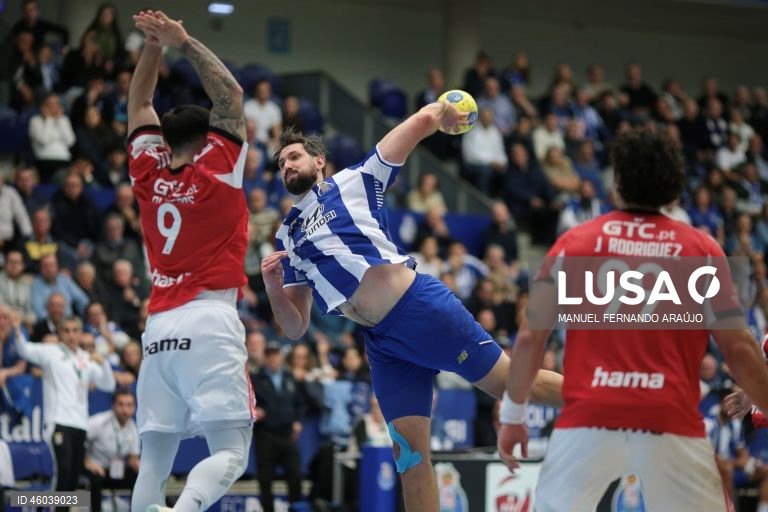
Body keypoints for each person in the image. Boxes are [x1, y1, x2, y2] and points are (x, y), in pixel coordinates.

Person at [262, 104, 563, 509]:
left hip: (420, 310)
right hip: (382, 344)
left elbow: (416, 126)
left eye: (294, 156)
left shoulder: (357, 180)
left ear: (319, 161)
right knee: (410, 456)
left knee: (507, 383)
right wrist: (273, 288)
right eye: (281, 163)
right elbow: (295, 328)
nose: (286, 165)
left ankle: (609, 397)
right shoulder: (288, 238)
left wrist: (443, 111)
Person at [497, 129, 768, 511]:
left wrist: (512, 416)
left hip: (588, 419)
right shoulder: (700, 249)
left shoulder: (575, 243)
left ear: (617, 183)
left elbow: (529, 339)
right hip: (669, 417)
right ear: (675, 189)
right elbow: (739, 348)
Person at [126, 11, 255, 512]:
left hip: (158, 330)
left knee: (155, 459)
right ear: (208, 142)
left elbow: (139, 102)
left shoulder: (146, 173)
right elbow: (232, 97)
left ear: (166, 142)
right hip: (208, 319)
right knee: (230, 451)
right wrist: (182, 42)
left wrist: (152, 46)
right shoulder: (217, 173)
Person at [14, 315, 115, 512]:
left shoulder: (85, 358)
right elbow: (24, 350)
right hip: (58, 422)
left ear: (80, 333)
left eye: (74, 330)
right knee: (63, 474)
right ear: (59, 333)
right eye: (66, 331)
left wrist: (103, 363)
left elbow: (108, 384)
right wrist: (18, 329)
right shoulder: (51, 352)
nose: (70, 335)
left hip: (80, 425)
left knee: (74, 479)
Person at [250, 342, 305, 512]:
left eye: (275, 354)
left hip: (288, 434)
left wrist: (297, 420)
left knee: (295, 476)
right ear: (265, 357)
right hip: (266, 434)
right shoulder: (255, 379)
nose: (273, 358)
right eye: (269, 354)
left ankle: (295, 508)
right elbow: (245, 400)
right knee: (265, 478)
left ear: (281, 356)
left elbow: (299, 403)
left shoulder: (289, 377)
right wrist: (254, 409)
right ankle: (268, 509)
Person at [85, 389, 141, 512]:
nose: (125, 410)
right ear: (113, 405)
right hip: (96, 468)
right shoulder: (99, 422)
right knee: (95, 477)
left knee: (138, 477)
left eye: (129, 405)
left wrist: (142, 470)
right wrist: (87, 462)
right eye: (121, 404)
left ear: (134, 408)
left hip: (116, 471)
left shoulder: (133, 427)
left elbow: (133, 458)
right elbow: (77, 442)